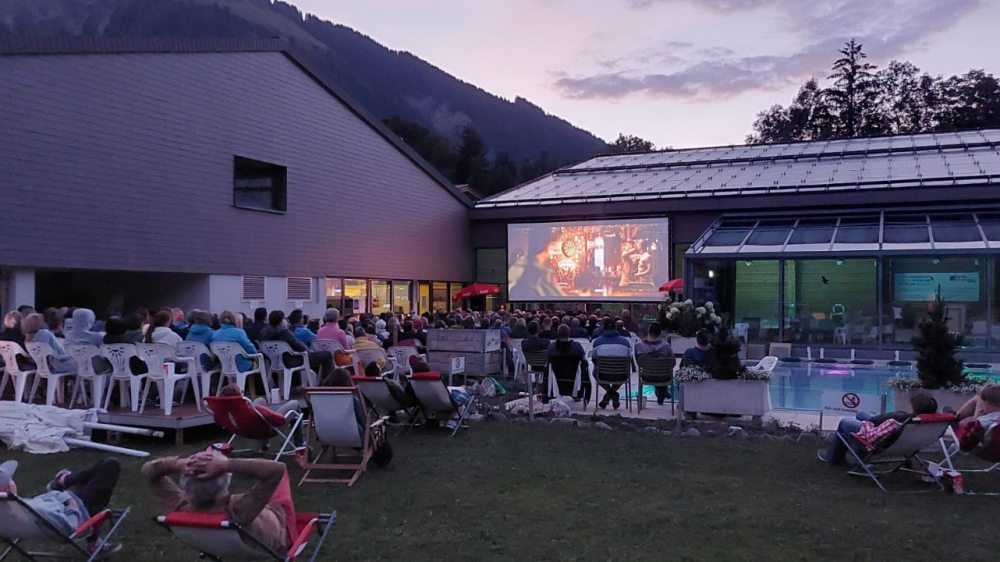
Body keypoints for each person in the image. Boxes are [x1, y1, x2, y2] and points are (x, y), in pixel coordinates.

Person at [142, 450, 296, 555]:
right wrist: (225, 464)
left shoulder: (180, 508)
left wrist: (176, 464)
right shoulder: (238, 511)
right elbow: (277, 470)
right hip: (276, 536)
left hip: (221, 544)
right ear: (225, 486)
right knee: (280, 481)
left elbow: (148, 471)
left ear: (185, 489)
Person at [0, 458, 122, 555]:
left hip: (64, 498)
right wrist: (71, 504)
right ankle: (64, 480)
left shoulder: (15, 508)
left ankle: (64, 480)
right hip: (80, 507)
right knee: (110, 465)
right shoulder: (33, 511)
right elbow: (70, 527)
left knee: (97, 474)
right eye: (11, 479)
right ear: (9, 488)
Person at [818, 393, 938, 465]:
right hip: (901, 443)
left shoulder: (899, 420)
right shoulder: (927, 423)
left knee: (845, 423)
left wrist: (866, 424)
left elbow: (872, 435)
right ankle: (850, 455)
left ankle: (834, 458)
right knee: (862, 414)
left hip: (881, 443)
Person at [218, 383, 304, 452]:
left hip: (241, 429)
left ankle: (264, 446)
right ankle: (299, 444)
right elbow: (279, 421)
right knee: (294, 403)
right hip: (266, 430)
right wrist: (268, 414)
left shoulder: (226, 412)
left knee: (260, 400)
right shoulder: (254, 410)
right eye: (241, 392)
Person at [259, 310, 334, 385]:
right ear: (281, 321)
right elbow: (299, 347)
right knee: (327, 355)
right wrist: (307, 349)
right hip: (293, 360)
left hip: (274, 362)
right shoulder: (285, 333)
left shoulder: (264, 332)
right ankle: (326, 383)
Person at [591, 317, 632, 410]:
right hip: (620, 375)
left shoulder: (597, 342)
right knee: (625, 372)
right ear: (616, 328)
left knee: (594, 372)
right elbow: (629, 359)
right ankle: (613, 393)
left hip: (602, 375)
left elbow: (594, 359)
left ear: (603, 328)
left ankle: (610, 393)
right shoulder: (625, 342)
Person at [548, 324, 590, 404]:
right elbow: (582, 358)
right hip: (574, 381)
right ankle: (576, 394)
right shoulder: (576, 347)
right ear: (569, 334)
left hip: (556, 381)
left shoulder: (551, 348)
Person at [634, 322, 674, 405]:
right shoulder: (666, 346)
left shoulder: (638, 346)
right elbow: (673, 363)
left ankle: (662, 392)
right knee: (661, 372)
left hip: (647, 376)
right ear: (660, 334)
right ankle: (662, 392)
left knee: (654, 370)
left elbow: (638, 362)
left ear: (648, 331)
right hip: (663, 377)